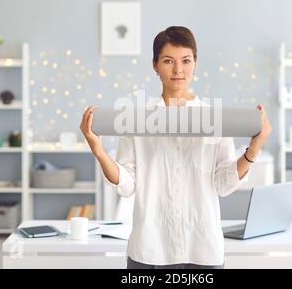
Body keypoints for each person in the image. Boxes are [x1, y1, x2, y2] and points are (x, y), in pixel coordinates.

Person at [80, 26, 272, 269]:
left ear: (195, 64)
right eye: (168, 60)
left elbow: (223, 184)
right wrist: (98, 150)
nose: (178, 69)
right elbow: (127, 184)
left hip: (202, 250)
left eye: (186, 60)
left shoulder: (215, 119)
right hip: (150, 251)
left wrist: (254, 148)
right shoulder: (137, 119)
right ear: (155, 65)